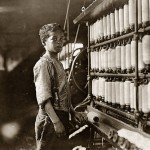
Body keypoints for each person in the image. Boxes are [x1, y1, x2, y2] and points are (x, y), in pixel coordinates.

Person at [33, 23, 85, 150]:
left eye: (61, 39)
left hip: (60, 116)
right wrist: (56, 123)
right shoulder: (43, 64)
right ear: (44, 42)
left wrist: (72, 112)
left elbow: (63, 93)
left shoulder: (58, 64)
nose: (59, 42)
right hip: (49, 119)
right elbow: (44, 99)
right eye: (54, 39)